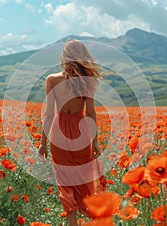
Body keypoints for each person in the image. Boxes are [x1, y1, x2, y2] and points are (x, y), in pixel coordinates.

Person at [38, 39, 107, 225]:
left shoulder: (51, 79)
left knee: (65, 182)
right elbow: (90, 113)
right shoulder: (87, 81)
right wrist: (95, 141)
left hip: (58, 132)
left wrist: (43, 143)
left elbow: (49, 114)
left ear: (64, 56)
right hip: (81, 133)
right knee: (84, 179)